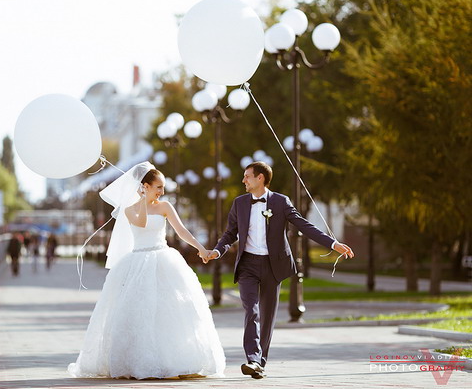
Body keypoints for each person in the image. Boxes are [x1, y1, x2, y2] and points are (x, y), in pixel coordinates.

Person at [68, 162, 225, 379]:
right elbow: (141, 223)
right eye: (158, 187)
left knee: (169, 311)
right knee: (139, 312)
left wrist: (201, 249)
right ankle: (139, 362)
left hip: (163, 258)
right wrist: (142, 200)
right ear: (145, 186)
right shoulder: (131, 210)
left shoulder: (165, 206)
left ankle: (173, 360)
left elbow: (181, 231)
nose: (161, 191)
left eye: (162, 187)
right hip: (137, 263)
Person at [204, 161, 355, 379]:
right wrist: (217, 252)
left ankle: (260, 364)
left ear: (260, 178)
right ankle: (253, 359)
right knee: (251, 309)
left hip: (273, 265)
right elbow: (230, 234)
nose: (243, 180)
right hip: (247, 265)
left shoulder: (280, 202)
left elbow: (304, 225)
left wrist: (333, 244)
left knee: (268, 315)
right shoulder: (239, 203)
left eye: (247, 176)